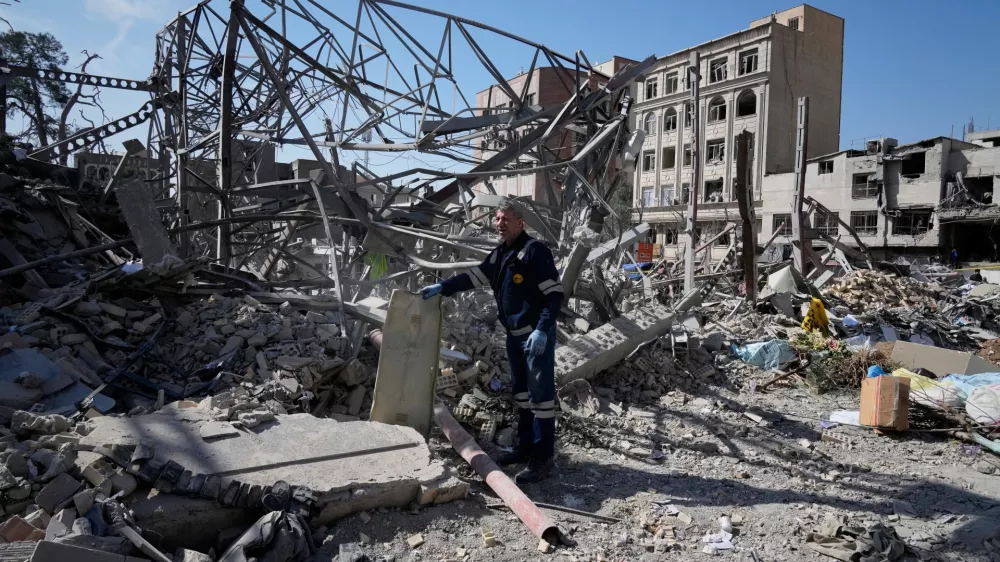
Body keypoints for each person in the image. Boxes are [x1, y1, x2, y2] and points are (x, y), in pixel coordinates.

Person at [421, 200, 563, 483]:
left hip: (534, 338)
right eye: (497, 219)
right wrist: (444, 287)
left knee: (541, 399)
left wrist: (543, 330)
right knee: (521, 396)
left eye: (506, 219)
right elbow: (474, 277)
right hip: (513, 338)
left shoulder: (534, 251)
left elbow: (555, 294)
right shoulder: (501, 254)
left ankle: (543, 457)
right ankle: (524, 448)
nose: (499, 224)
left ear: (520, 222)